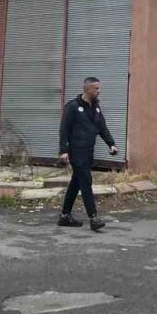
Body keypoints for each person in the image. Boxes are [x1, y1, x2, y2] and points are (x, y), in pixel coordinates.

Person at [57, 76, 118, 232]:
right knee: (86, 181)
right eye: (96, 88)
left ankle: (65, 216)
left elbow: (102, 128)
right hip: (76, 151)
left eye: (99, 88)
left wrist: (111, 144)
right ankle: (93, 218)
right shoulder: (73, 106)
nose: (99, 91)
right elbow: (64, 129)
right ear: (87, 89)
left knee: (76, 183)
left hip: (88, 151)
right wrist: (63, 151)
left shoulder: (95, 108)